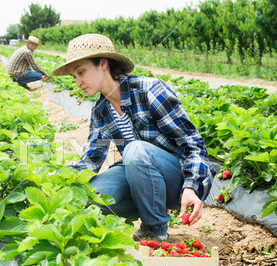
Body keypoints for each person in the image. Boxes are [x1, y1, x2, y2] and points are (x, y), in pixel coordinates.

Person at [52, 34, 215, 242]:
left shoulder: (149, 90)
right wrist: (56, 182)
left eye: (81, 72)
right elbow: (90, 161)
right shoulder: (100, 111)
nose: (78, 83)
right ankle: (149, 209)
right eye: (74, 76)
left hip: (180, 180)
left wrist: (192, 186)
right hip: (142, 175)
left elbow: (193, 144)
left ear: (103, 63)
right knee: (90, 197)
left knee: (135, 150)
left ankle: (154, 229)